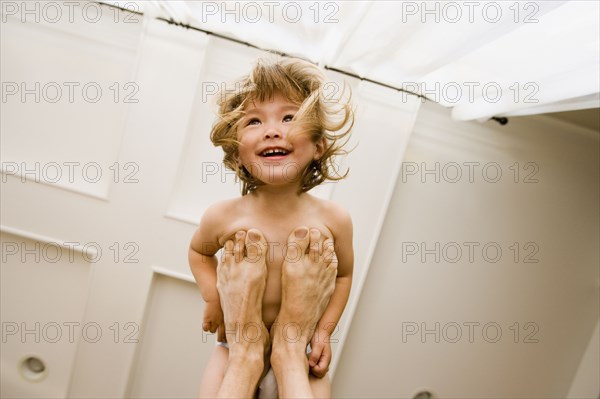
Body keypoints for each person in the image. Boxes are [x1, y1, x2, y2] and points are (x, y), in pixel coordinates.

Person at [188, 56, 355, 398]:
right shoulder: (223, 216)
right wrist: (212, 299)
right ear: (237, 155)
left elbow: (342, 276)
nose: (272, 130)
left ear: (319, 146)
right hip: (233, 345)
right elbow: (199, 252)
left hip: (302, 349)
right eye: (253, 122)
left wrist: (323, 332)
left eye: (289, 117)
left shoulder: (334, 219)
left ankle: (288, 355)